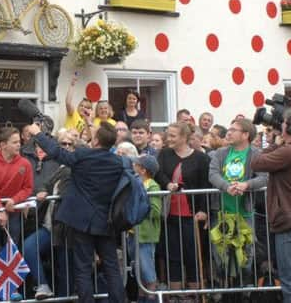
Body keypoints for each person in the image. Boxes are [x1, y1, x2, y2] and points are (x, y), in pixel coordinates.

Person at [28, 121, 125, 303]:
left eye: (93, 133)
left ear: (95, 141)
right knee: (112, 268)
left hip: (83, 223)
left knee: (82, 269)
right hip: (106, 222)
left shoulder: (83, 156)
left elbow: (56, 152)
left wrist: (38, 134)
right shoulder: (118, 162)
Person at [250, 109, 291, 303]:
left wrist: (274, 143)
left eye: (284, 123)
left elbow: (256, 162)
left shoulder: (289, 151)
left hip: (289, 220)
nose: (281, 125)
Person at [208, 119, 267, 286]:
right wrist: (227, 187)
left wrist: (246, 185)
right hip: (221, 213)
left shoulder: (257, 154)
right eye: (229, 128)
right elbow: (212, 175)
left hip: (244, 212)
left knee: (246, 256)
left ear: (246, 135)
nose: (229, 132)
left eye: (234, 129)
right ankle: (226, 291)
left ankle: (245, 291)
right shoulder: (220, 153)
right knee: (220, 256)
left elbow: (264, 177)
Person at [154, 121, 210, 296]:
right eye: (167, 134)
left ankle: (194, 295)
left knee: (193, 256)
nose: (167, 138)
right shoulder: (164, 154)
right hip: (170, 215)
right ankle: (176, 296)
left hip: (192, 216)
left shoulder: (201, 158)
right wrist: (167, 184)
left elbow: (205, 185)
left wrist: (204, 210)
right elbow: (158, 173)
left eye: (172, 135)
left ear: (184, 137)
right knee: (173, 256)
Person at [23, 130, 76, 299]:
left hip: (66, 228)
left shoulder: (74, 168)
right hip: (48, 226)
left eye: (70, 144)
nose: (66, 147)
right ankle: (43, 285)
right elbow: (44, 184)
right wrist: (43, 190)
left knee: (64, 269)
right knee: (29, 246)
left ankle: (64, 298)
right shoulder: (58, 166)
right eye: (63, 144)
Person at [0, 127, 33, 251]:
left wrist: (14, 200)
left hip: (14, 212)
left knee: (12, 248)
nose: (19, 145)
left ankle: (12, 271)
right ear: (3, 145)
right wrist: (0, 209)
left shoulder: (25, 163)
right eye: (15, 142)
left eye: (19, 142)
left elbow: (28, 188)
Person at [130, 154, 161, 303]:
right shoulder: (135, 182)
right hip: (133, 234)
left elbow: (156, 210)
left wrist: (140, 207)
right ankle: (142, 298)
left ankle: (151, 298)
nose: (133, 167)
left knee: (147, 271)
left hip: (145, 235)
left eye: (136, 165)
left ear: (142, 170)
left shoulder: (152, 185)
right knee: (139, 272)